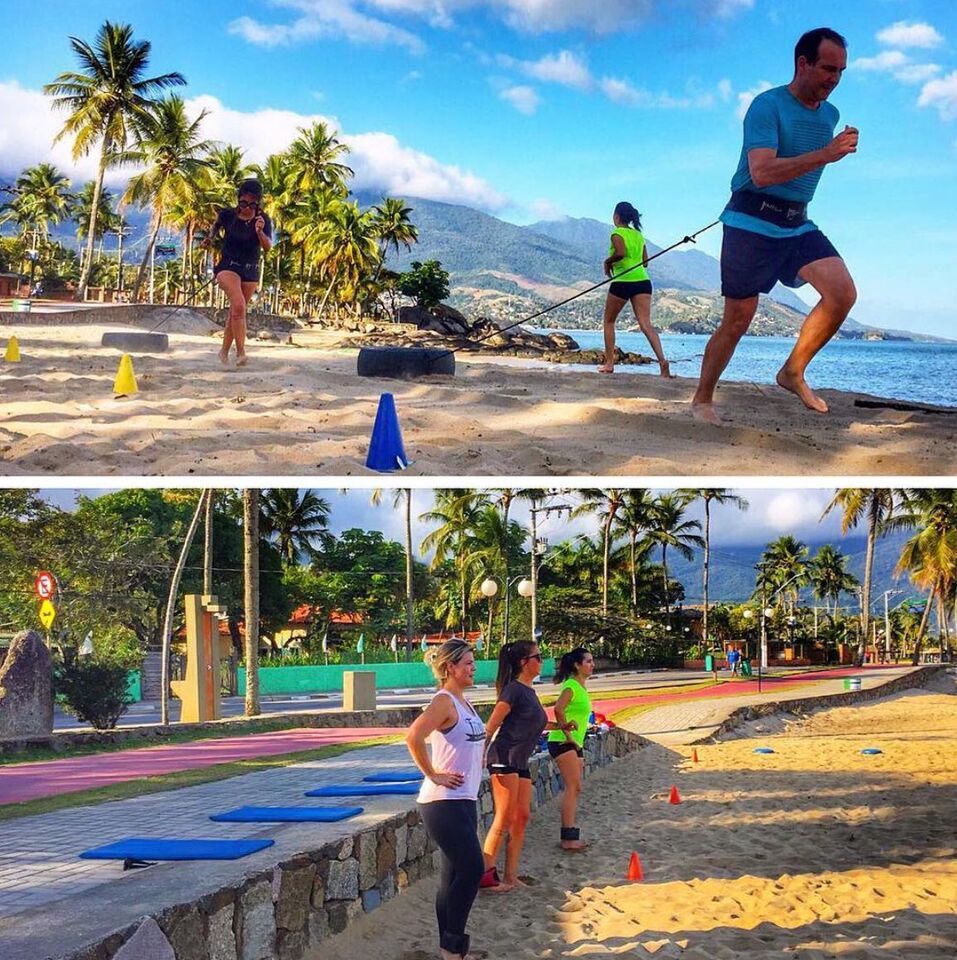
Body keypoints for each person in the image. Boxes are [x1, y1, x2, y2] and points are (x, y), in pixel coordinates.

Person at [692, 27, 858, 424]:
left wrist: (830, 150)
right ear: (803, 63)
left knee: (842, 294)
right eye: (828, 69)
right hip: (750, 221)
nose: (834, 79)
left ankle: (792, 371)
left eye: (841, 71)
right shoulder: (766, 106)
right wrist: (826, 154)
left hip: (796, 223)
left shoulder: (830, 115)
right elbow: (762, 172)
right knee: (738, 319)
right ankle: (702, 399)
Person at [406, 639, 487, 960]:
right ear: (450, 667)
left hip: (464, 799)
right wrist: (433, 774)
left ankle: (449, 948)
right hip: (442, 801)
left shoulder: (464, 702)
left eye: (473, 662)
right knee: (472, 869)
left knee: (452, 875)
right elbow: (413, 736)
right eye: (467, 663)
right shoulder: (443, 701)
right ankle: (453, 947)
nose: (473, 667)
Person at [481, 641, 575, 892]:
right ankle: (487, 877)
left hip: (519, 760)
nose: (542, 661)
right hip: (504, 758)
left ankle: (511, 876)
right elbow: (491, 726)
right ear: (524, 662)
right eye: (538, 656)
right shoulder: (513, 691)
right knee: (503, 818)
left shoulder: (529, 691)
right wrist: (480, 754)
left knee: (522, 817)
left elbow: (534, 723)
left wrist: (561, 726)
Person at [202, 178, 273, 367]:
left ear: (258, 203)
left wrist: (260, 232)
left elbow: (267, 247)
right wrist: (210, 238)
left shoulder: (263, 220)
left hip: (250, 269)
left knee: (236, 311)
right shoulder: (228, 215)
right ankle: (241, 353)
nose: (247, 207)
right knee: (239, 305)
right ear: (238, 199)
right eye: (243, 203)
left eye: (252, 204)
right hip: (228, 265)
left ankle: (224, 352)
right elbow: (216, 226)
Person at [600, 201, 671, 378]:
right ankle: (662, 361)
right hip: (643, 282)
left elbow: (621, 253)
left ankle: (609, 364)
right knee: (646, 324)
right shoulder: (638, 235)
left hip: (623, 281)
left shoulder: (617, 233)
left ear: (616, 217)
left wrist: (608, 262)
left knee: (609, 321)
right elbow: (645, 262)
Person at [546, 647, 594, 851]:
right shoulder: (571, 685)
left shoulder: (581, 687)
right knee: (573, 787)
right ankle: (568, 837)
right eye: (588, 661)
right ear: (577, 665)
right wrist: (568, 736)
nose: (592, 665)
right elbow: (558, 709)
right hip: (562, 742)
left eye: (592, 661)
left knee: (576, 788)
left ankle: (571, 832)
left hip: (575, 743)